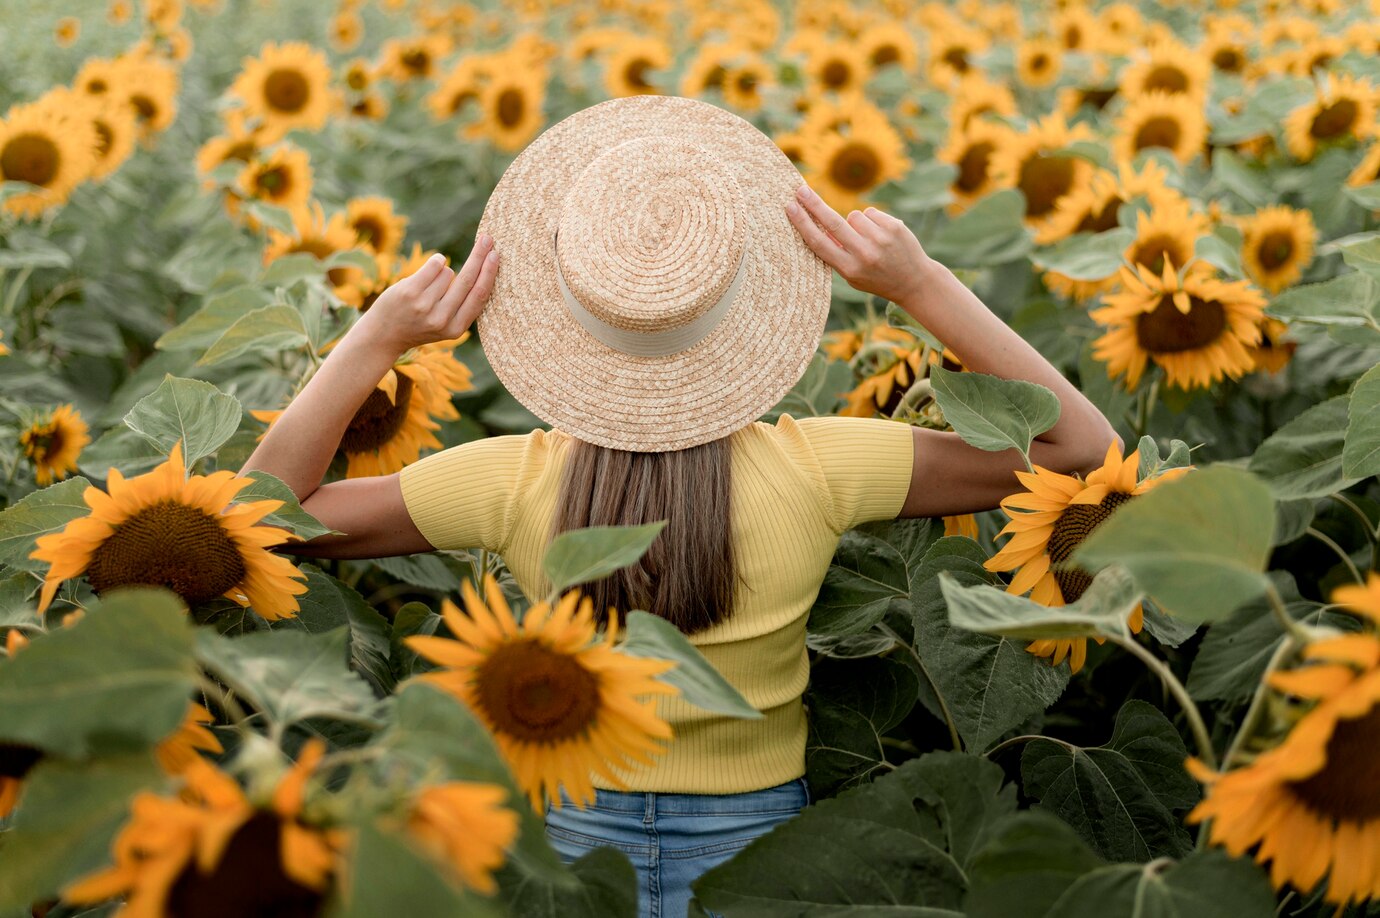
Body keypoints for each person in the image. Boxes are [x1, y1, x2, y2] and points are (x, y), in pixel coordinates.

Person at [240, 96, 1122, 918]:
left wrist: (378, 336)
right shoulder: (818, 468)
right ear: (739, 306)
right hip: (763, 852)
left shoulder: (513, 480)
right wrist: (919, 284)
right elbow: (1078, 448)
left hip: (578, 845)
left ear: (574, 312)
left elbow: (268, 519)